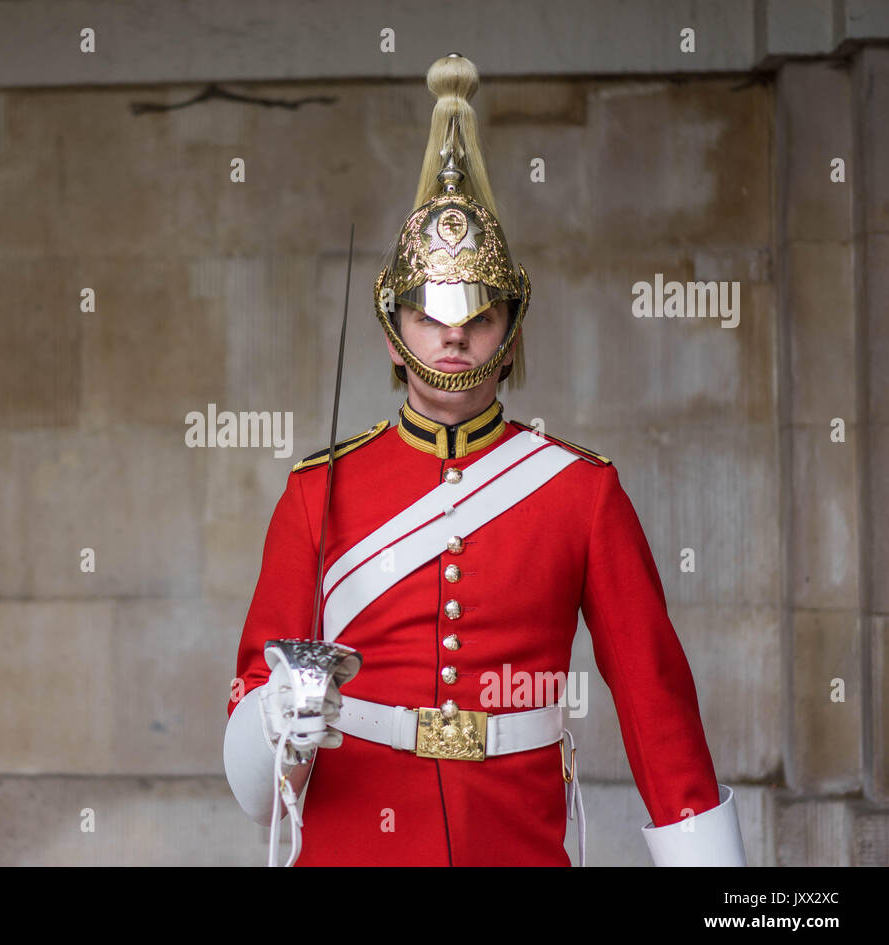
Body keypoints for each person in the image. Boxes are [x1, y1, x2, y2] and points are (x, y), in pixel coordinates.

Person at [222, 53, 747, 867]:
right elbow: (257, 705)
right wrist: (273, 723)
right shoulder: (317, 492)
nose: (455, 333)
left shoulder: (581, 492)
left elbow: (654, 700)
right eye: (430, 313)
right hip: (357, 842)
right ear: (396, 337)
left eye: (479, 311)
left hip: (515, 843)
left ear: (510, 332)